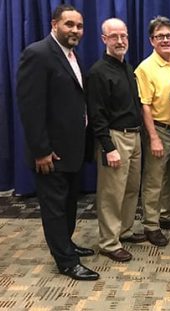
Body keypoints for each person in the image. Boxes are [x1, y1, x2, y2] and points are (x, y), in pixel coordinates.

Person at [16, 4, 99, 281]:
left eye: (79, 26)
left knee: (69, 204)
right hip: (50, 153)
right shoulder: (38, 54)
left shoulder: (72, 56)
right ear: (54, 25)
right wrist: (41, 151)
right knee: (54, 208)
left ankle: (67, 244)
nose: (75, 30)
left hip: (72, 150)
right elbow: (30, 108)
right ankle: (66, 261)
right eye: (69, 25)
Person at [86, 18, 144, 262]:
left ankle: (125, 231)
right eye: (114, 37)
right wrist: (108, 147)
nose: (120, 41)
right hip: (115, 138)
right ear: (104, 39)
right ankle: (109, 243)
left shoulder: (127, 68)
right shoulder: (98, 72)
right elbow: (96, 114)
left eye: (124, 36)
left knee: (131, 190)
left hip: (135, 136)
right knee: (111, 193)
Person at [135, 16, 170, 246]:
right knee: (154, 179)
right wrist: (154, 137)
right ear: (151, 40)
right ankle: (151, 225)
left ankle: (167, 216)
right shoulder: (145, 68)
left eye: (169, 36)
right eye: (160, 37)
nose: (165, 40)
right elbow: (144, 105)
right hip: (158, 129)